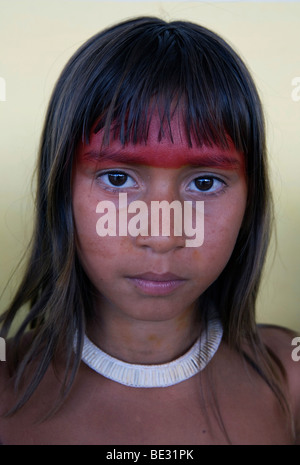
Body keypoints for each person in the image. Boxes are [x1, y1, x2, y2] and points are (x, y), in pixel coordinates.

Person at [0, 16, 299, 445]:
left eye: (204, 183)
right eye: (118, 180)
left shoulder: (287, 379)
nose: (161, 236)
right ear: (61, 191)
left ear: (250, 200)